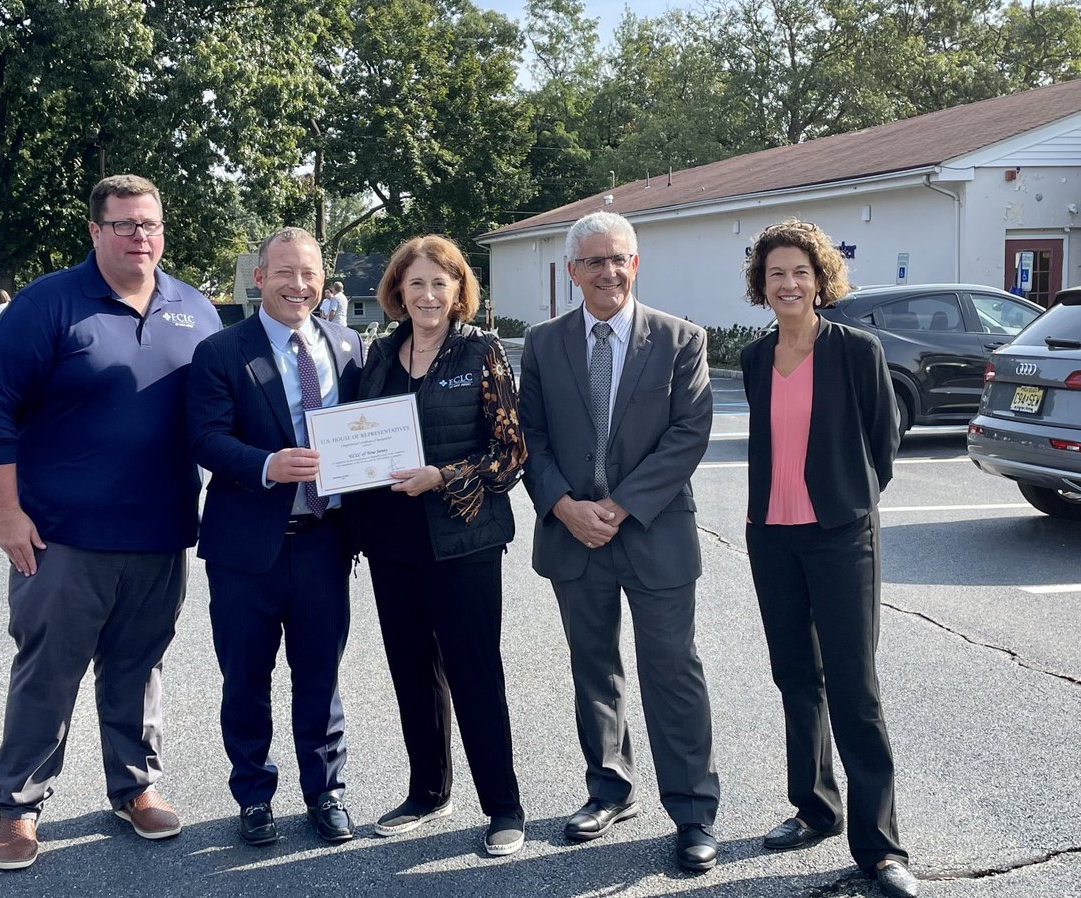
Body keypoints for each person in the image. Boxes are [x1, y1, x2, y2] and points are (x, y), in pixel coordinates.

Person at [0, 174, 220, 871]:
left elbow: (221, 417)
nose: (142, 236)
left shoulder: (193, 309)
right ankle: (18, 807)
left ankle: (134, 787)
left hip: (162, 531)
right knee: (48, 672)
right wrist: (6, 514)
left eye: (151, 224)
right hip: (60, 538)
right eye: (126, 225)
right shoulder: (48, 304)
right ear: (95, 232)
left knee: (139, 668)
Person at [518, 211, 720, 873]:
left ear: (636, 265)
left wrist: (621, 507)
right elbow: (532, 439)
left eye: (619, 259)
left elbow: (687, 436)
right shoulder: (544, 345)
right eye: (594, 261)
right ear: (572, 271)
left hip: (654, 532)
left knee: (673, 672)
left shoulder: (681, 339)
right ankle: (609, 788)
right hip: (574, 535)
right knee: (593, 667)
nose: (608, 271)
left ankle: (692, 812)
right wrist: (562, 505)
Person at [739, 220, 917, 898]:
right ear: (764, 283)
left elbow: (883, 441)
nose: (788, 283)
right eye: (776, 273)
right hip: (772, 538)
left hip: (842, 536)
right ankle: (814, 807)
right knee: (795, 677)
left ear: (820, 280)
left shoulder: (855, 351)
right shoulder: (756, 358)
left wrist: (848, 500)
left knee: (853, 685)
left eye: (800, 272)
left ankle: (880, 847)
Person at [187, 227, 364, 848]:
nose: (299, 285)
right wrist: (268, 465)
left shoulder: (347, 344)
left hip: (324, 540)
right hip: (246, 548)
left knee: (320, 672)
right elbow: (205, 438)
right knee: (245, 675)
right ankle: (254, 794)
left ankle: (326, 791)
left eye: (310, 274)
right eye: (284, 273)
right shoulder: (221, 351)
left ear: (323, 280)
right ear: (258, 278)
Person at [353, 235, 527, 856]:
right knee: (410, 670)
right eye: (416, 283)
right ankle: (428, 790)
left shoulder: (482, 351)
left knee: (475, 669)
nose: (428, 295)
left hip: (464, 538)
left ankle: (503, 806)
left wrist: (443, 476)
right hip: (392, 541)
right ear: (398, 290)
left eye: (440, 284)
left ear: (459, 292)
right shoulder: (379, 355)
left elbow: (510, 455)